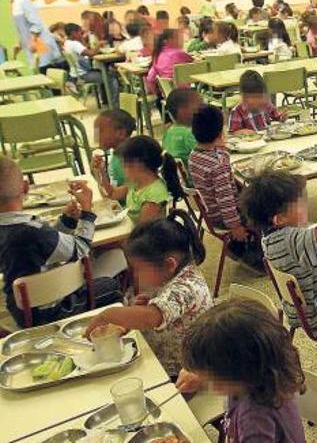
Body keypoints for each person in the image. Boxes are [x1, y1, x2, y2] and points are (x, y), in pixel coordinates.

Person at [84, 210, 212, 376]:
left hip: (181, 372)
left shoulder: (187, 287)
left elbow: (151, 318)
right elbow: (159, 312)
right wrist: (139, 309)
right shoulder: (174, 273)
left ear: (169, 264)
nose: (136, 276)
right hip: (161, 356)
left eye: (139, 269)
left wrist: (106, 315)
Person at [0, 158, 123, 327]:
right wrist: (87, 211)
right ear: (26, 186)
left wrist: (66, 221)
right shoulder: (34, 231)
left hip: (18, 312)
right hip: (53, 311)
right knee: (111, 285)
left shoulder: (27, 232)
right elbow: (81, 247)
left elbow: (45, 247)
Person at [181, 299, 307, 442]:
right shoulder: (255, 381)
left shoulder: (255, 421)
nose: (203, 380)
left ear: (236, 371)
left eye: (207, 376)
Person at [241, 171, 317, 330]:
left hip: (305, 308)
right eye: (301, 202)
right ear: (280, 219)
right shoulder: (289, 240)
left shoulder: (269, 237)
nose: (306, 205)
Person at [189, 105, 263, 269]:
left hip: (209, 212)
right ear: (219, 133)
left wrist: (221, 149)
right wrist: (235, 226)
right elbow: (226, 200)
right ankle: (254, 254)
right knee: (264, 203)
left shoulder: (194, 155)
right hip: (224, 216)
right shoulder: (218, 165)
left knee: (245, 188)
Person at [101, 136, 183, 223]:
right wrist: (101, 170)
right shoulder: (136, 184)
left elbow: (143, 231)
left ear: (140, 165)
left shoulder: (153, 195)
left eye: (125, 165)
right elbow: (112, 193)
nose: (122, 169)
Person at [0, 0, 64, 73]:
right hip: (31, 45)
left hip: (40, 42)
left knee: (48, 70)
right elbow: (20, 28)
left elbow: (36, 23)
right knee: (40, 70)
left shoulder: (23, 2)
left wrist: (33, 40)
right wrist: (19, 43)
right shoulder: (14, 4)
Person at [63, 23, 119, 105]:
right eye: (80, 33)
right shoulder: (75, 44)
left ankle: (106, 101)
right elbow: (91, 53)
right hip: (84, 74)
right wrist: (99, 45)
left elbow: (85, 49)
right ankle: (114, 105)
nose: (81, 35)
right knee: (111, 79)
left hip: (76, 74)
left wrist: (81, 39)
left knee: (106, 73)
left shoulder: (67, 43)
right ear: (73, 33)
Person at [91, 109, 136, 190]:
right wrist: (100, 172)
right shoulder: (116, 155)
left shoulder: (132, 160)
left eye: (100, 131)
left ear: (120, 133)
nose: (96, 137)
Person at [146, 29, 193, 95]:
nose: (181, 40)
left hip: (168, 95)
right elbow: (196, 64)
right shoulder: (178, 53)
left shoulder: (157, 54)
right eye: (178, 38)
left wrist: (157, 94)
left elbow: (150, 78)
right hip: (184, 94)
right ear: (168, 40)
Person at [162, 88, 201, 163]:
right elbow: (205, 156)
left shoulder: (169, 131)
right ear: (183, 111)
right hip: (190, 173)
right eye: (199, 105)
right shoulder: (190, 134)